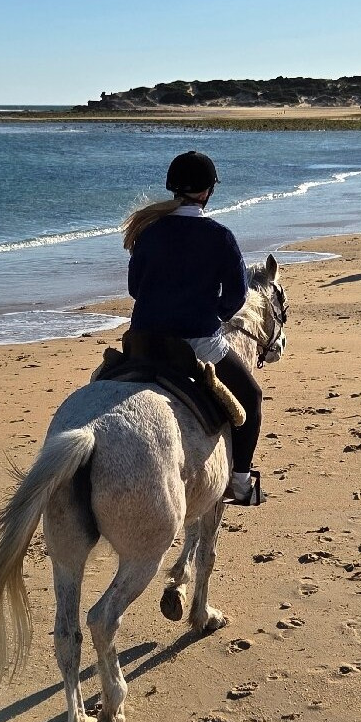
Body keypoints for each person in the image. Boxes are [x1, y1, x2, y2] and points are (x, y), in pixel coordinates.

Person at [123, 151, 264, 505]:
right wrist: (210, 314)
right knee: (252, 396)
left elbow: (135, 289)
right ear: (207, 192)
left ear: (172, 187)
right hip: (197, 342)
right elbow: (235, 297)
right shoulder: (220, 236)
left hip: (142, 339)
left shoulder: (148, 231)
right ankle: (241, 482)